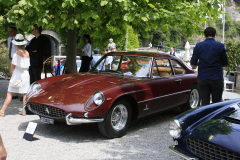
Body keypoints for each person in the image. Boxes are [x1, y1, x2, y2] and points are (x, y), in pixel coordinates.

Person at [190, 27, 229, 106]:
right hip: (217, 78)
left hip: (203, 78)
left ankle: (205, 118)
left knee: (204, 102)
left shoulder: (198, 46)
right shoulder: (220, 46)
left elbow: (192, 64)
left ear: (204, 35)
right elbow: (225, 63)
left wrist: (201, 62)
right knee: (217, 103)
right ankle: (215, 118)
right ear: (215, 35)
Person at [0, 34, 30, 116]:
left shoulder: (16, 53)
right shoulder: (27, 52)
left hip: (17, 74)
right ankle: (24, 111)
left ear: (15, 44)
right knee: (24, 94)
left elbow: (12, 66)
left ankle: (2, 111)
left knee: (9, 93)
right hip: (26, 74)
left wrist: (11, 74)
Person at [8, 27, 19, 100]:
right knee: (12, 75)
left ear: (15, 32)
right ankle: (14, 93)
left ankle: (20, 93)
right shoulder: (9, 39)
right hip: (10, 58)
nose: (10, 33)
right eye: (9, 31)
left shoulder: (18, 39)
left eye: (11, 31)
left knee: (17, 75)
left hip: (17, 58)